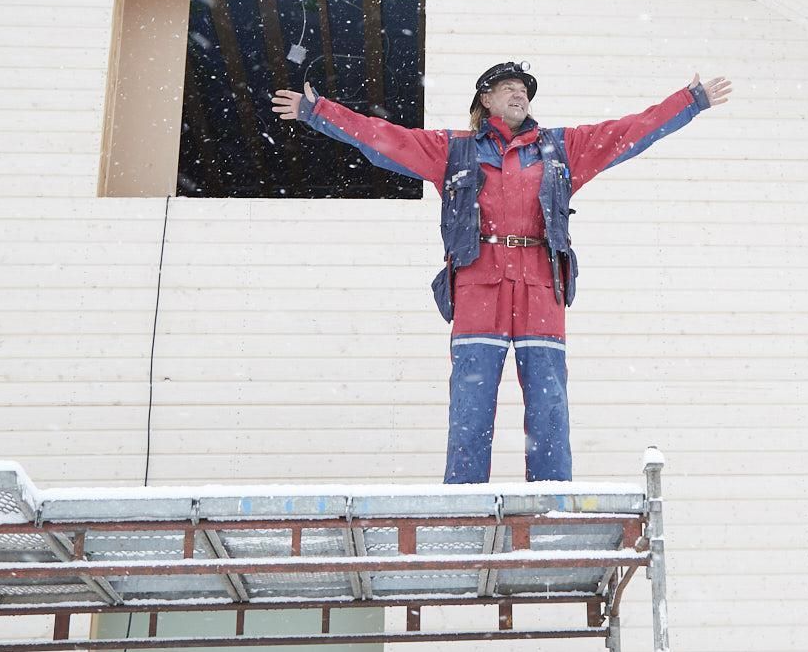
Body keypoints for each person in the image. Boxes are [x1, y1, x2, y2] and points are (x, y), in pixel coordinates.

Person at [272, 62, 732, 483]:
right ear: (485, 101)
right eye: (507, 88)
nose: (519, 95)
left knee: (549, 405)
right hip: (478, 287)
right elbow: (383, 138)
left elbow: (628, 132)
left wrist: (690, 101)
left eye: (524, 90)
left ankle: (552, 504)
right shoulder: (453, 150)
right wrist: (319, 113)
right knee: (471, 408)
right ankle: (464, 507)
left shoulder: (562, 148)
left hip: (541, 287)